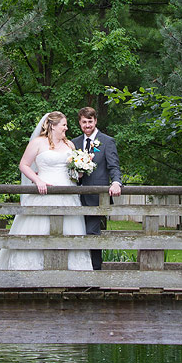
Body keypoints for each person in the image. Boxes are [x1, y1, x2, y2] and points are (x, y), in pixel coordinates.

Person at [0, 111, 93, 271]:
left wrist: (82, 168)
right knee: (40, 228)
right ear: (53, 126)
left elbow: (73, 174)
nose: (66, 128)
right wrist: (38, 180)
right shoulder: (38, 143)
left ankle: (68, 270)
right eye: (63, 125)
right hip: (44, 191)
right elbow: (24, 164)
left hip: (67, 194)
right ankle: (31, 269)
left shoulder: (70, 145)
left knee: (68, 230)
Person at [72, 106, 122, 270]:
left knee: (92, 233)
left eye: (90, 121)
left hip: (96, 198)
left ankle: (95, 272)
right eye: (84, 122)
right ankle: (78, 269)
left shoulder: (107, 141)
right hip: (75, 197)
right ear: (80, 123)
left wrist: (116, 183)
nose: (87, 125)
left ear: (95, 121)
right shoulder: (74, 143)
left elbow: (114, 167)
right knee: (76, 233)